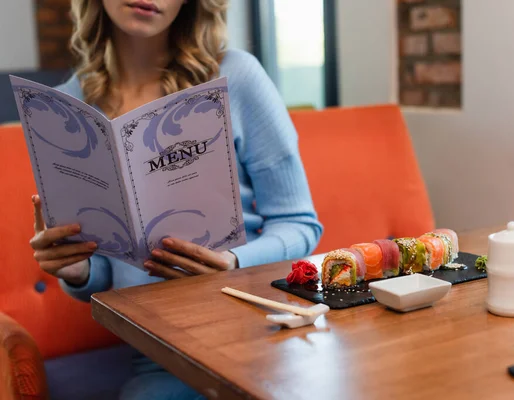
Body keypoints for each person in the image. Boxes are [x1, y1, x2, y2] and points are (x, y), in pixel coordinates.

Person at [28, 0, 323, 399]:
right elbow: (103, 273)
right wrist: (76, 269)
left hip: (258, 324)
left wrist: (233, 263)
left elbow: (300, 223)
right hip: (155, 348)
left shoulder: (236, 75)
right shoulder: (67, 106)